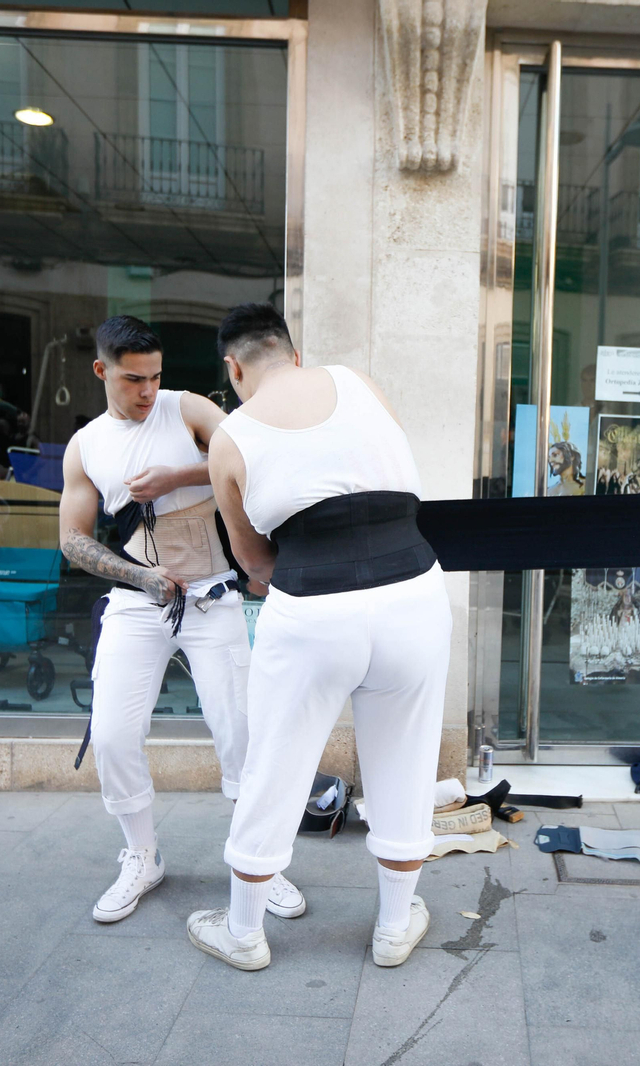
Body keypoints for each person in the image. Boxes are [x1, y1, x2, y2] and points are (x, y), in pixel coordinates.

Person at [186, 303, 451, 972]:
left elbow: (253, 564)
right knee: (406, 758)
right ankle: (394, 926)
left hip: (309, 604)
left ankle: (244, 933)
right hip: (412, 590)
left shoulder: (231, 436)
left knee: (273, 763)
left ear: (234, 367)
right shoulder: (360, 383)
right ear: (294, 354)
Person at [58, 315, 305, 925]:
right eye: (134, 379)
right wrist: (139, 577)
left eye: (155, 376)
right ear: (102, 371)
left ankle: (261, 862)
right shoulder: (86, 444)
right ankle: (141, 854)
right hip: (139, 600)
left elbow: (254, 452)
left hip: (213, 595)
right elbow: (72, 540)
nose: (147, 390)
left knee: (242, 734)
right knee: (113, 735)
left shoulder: (185, 408)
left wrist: (181, 473)